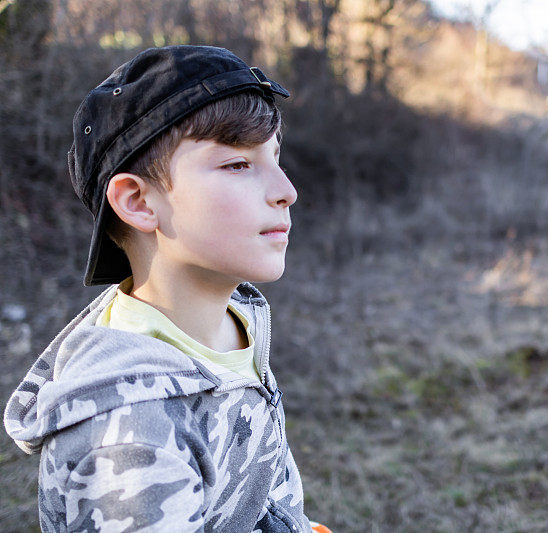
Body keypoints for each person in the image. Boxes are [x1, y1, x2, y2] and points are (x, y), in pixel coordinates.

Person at [4, 45, 331, 532]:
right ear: (137, 201)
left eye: (275, 158)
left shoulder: (231, 324)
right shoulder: (129, 433)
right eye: (237, 164)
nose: (287, 189)